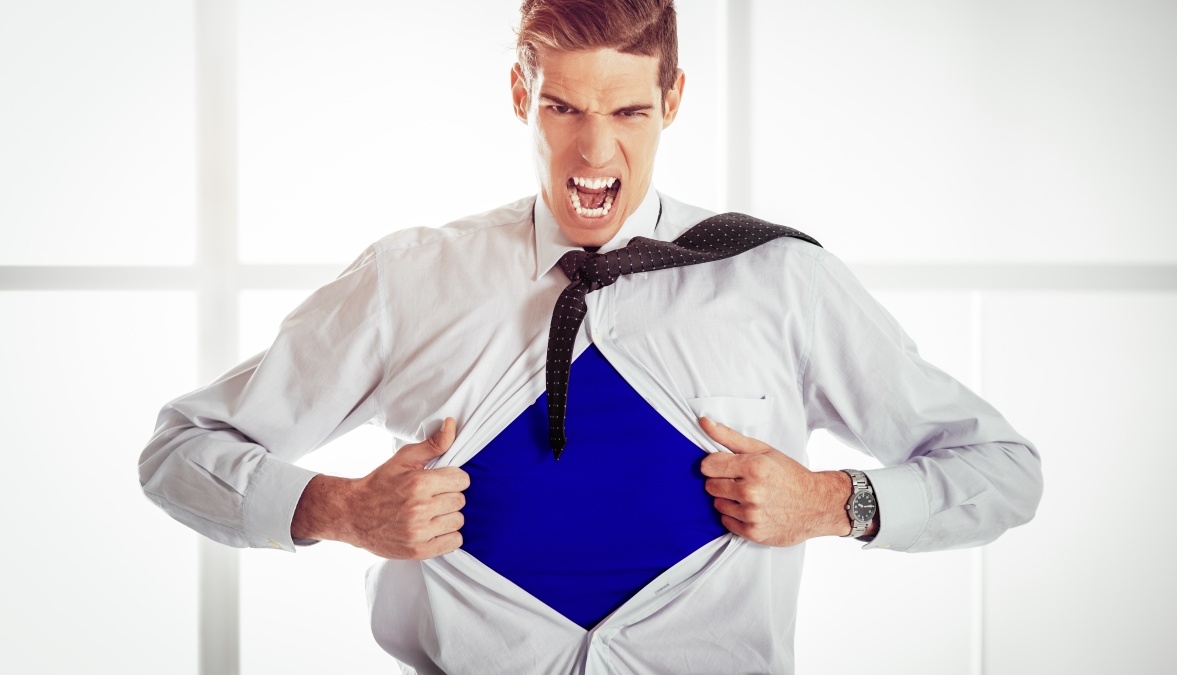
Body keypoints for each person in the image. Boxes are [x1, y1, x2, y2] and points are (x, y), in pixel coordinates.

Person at [139, 0, 1043, 672]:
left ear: (674, 98)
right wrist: (337, 509)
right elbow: (178, 451)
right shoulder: (409, 280)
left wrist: (835, 501)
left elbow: (1002, 470)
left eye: (627, 112)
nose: (595, 154)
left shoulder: (779, 280)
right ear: (519, 95)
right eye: (564, 109)